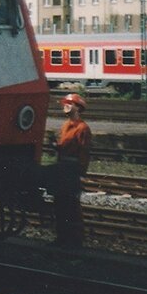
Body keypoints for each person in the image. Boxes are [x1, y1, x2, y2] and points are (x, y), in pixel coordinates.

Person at [52, 92, 91, 246]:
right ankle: (62, 238)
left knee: (71, 206)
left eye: (69, 103)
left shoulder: (82, 128)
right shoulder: (65, 126)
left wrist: (82, 172)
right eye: (65, 103)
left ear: (78, 108)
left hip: (72, 170)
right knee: (60, 204)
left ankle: (75, 240)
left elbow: (84, 152)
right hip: (62, 168)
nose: (65, 105)